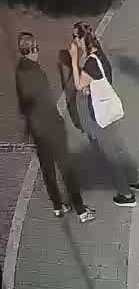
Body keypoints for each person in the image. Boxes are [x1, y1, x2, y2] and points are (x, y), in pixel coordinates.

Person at [14, 33, 94, 221]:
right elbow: (45, 102)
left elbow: (24, 103)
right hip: (51, 128)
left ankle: (58, 206)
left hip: (37, 130)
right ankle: (81, 210)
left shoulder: (19, 70)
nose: (38, 51)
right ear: (31, 50)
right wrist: (58, 121)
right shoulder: (36, 73)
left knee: (47, 168)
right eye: (36, 48)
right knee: (66, 168)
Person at [63, 22, 139, 207]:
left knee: (111, 154)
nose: (73, 40)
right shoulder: (98, 54)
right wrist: (91, 87)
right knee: (119, 147)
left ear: (82, 38)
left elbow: (78, 85)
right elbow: (100, 79)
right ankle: (134, 180)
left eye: (75, 37)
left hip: (101, 114)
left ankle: (126, 195)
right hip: (109, 108)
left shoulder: (90, 62)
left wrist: (73, 59)